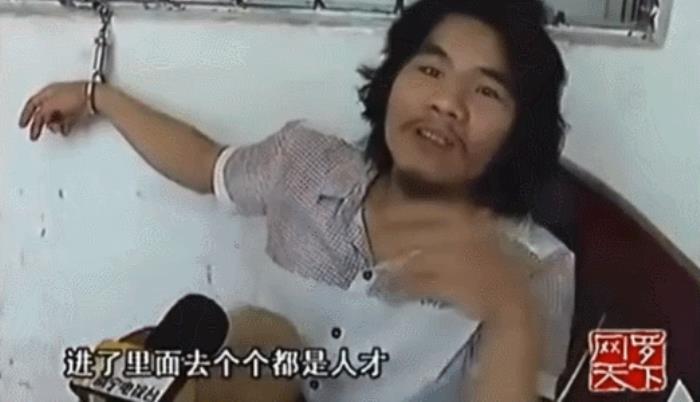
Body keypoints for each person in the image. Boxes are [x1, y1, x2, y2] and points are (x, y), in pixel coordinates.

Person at [18, 0, 575, 400]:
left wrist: (511, 317)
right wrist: (99, 97)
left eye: (486, 90)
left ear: (521, 131)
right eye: (430, 69)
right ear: (391, 85)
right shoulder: (307, 165)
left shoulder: (533, 268)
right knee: (261, 337)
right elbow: (207, 165)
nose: (447, 103)